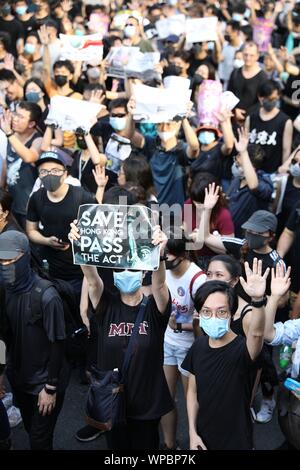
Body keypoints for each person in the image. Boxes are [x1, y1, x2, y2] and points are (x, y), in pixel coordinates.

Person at [68, 221, 174, 450]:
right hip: (112, 402)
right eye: (121, 268)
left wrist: (160, 254)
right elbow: (92, 280)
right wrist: (79, 245)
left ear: (144, 270)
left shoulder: (155, 309)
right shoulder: (106, 305)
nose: (126, 273)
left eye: (133, 267)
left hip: (146, 403)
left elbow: (161, 284)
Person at [183, 259, 269, 450]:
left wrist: (257, 301)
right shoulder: (198, 346)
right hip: (203, 438)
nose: (213, 317)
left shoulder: (243, 350)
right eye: (206, 311)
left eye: (221, 312)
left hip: (237, 441)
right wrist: (192, 432)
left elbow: (256, 333)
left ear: (231, 313)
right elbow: (192, 391)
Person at [0, 230, 70, 450]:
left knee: (39, 440)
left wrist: (50, 388)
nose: (5, 266)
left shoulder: (47, 296)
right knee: (31, 430)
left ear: (26, 257)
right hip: (19, 377)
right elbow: (4, 334)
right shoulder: (6, 289)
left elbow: (58, 343)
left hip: (45, 381)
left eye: (11, 260)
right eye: (1, 260)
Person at [26, 150, 105, 299]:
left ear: (65, 173)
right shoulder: (37, 198)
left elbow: (100, 225)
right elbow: (31, 230)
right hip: (51, 270)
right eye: (44, 171)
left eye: (55, 170)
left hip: (81, 272)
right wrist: (46, 240)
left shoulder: (81, 196)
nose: (49, 175)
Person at [160, 233, 207, 450]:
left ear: (183, 254)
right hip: (168, 343)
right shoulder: (163, 268)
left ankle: (194, 443)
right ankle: (169, 446)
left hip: (189, 346)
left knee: (192, 403)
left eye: (169, 255)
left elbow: (205, 324)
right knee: (165, 398)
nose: (165, 258)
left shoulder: (198, 279)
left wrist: (178, 325)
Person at [0, 101, 42, 228]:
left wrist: (9, 133)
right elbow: (6, 165)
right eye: (15, 114)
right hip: (11, 202)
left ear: (32, 124)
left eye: (21, 117)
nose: (15, 119)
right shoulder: (12, 136)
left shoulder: (38, 140)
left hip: (28, 206)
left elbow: (29, 157)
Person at [227, 127, 273, 238]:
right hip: (228, 235)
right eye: (236, 162)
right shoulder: (237, 179)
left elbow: (253, 186)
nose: (235, 166)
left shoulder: (265, 183)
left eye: (239, 165)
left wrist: (243, 152)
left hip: (247, 242)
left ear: (251, 166)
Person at [245, 80, 293, 175]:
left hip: (272, 172)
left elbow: (286, 149)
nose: (271, 102)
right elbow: (245, 144)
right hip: (250, 170)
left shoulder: (285, 121)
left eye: (274, 98)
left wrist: (282, 173)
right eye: (268, 99)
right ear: (260, 97)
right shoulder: (251, 118)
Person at [228, 41, 268, 123]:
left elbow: (262, 101)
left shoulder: (262, 76)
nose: (248, 58)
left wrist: (245, 115)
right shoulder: (235, 72)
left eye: (251, 55)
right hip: (234, 117)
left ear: (257, 56)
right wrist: (235, 110)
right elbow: (229, 93)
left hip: (253, 119)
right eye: (245, 54)